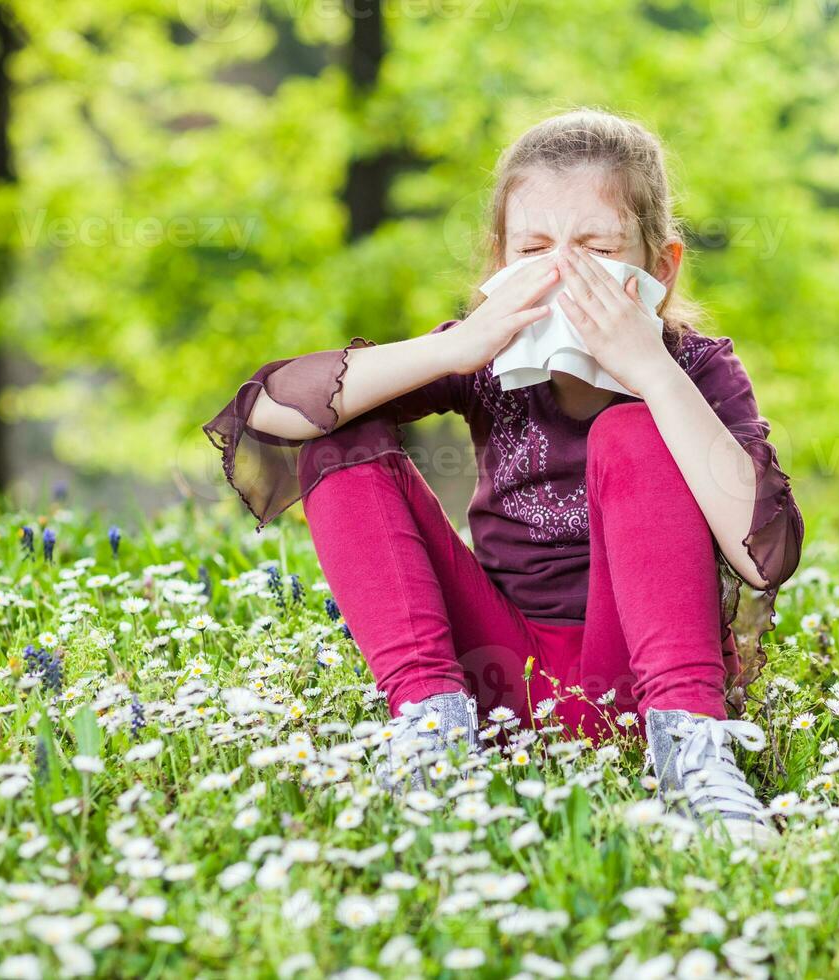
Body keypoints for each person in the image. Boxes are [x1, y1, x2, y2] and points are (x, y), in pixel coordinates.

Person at [203, 108, 804, 844]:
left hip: (644, 679)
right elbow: (268, 411)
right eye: (534, 249)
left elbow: (764, 554)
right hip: (498, 683)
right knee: (341, 428)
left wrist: (651, 374)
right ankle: (432, 739)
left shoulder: (696, 368)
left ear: (661, 266)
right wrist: (460, 347)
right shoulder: (485, 360)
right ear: (500, 267)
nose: (564, 272)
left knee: (633, 424)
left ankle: (697, 763)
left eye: (597, 248)